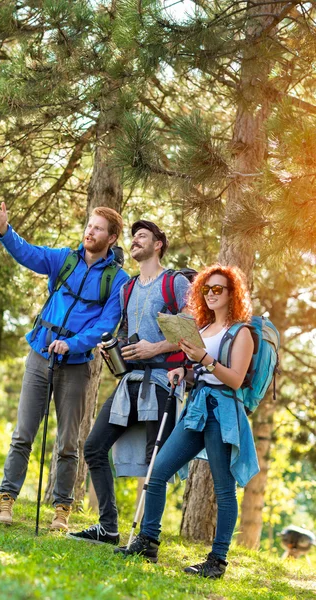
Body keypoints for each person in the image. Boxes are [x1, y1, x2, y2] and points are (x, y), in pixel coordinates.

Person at [0, 202, 129, 531]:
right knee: (23, 434)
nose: (89, 231)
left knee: (68, 443)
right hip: (40, 355)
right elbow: (30, 254)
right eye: (89, 225)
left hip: (77, 365)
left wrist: (73, 343)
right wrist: (4, 231)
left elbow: (107, 325)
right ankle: (6, 499)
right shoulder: (64, 259)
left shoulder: (118, 280)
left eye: (97, 228)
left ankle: (62, 510)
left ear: (111, 238)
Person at [115, 264, 260, 578]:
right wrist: (185, 371)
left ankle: (217, 561)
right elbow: (203, 371)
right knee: (158, 471)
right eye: (207, 289)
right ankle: (148, 541)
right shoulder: (204, 329)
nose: (211, 294)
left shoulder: (242, 332)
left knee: (224, 490)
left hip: (222, 413)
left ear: (232, 294)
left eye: (218, 289)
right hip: (196, 408)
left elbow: (234, 379)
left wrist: (204, 360)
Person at [67, 220, 191, 546]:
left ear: (158, 244)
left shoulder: (175, 283)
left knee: (156, 463)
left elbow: (193, 330)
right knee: (94, 448)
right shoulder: (128, 288)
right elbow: (123, 333)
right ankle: (108, 528)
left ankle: (148, 540)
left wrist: (157, 347)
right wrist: (111, 350)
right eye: (134, 237)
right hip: (130, 381)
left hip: (163, 381)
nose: (135, 241)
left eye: (143, 236)